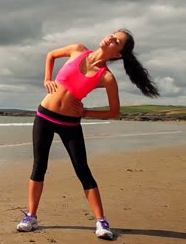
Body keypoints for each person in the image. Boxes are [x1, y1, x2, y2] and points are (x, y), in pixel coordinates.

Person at [16, 29, 160, 240]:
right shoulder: (77, 50)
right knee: (39, 166)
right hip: (44, 116)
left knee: (83, 170)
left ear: (118, 54)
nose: (110, 38)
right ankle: (31, 216)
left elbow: (114, 112)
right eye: (112, 34)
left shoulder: (107, 77)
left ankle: (101, 221)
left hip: (70, 123)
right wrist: (47, 78)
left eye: (116, 41)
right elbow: (51, 55)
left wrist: (85, 112)